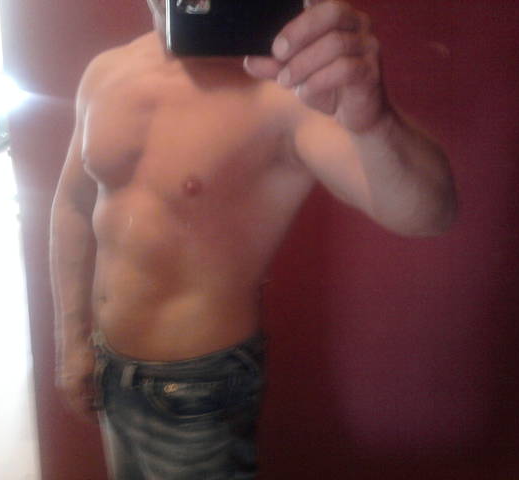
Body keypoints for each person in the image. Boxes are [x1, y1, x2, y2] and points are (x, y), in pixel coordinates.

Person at [50, 0, 457, 478]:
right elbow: (72, 204)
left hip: (200, 389)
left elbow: (428, 214)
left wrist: (375, 122)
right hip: (111, 367)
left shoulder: (286, 90)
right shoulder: (104, 72)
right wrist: (71, 340)